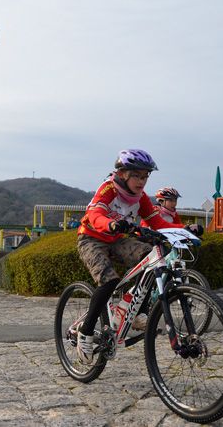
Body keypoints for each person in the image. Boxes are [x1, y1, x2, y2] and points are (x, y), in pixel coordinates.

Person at [75, 149, 203, 364]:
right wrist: (110, 223)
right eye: (137, 175)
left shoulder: (141, 198)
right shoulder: (108, 189)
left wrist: (185, 229)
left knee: (151, 258)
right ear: (123, 173)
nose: (142, 181)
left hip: (116, 240)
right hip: (92, 238)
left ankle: (133, 307)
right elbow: (94, 214)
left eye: (145, 176)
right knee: (109, 281)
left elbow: (159, 223)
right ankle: (85, 333)